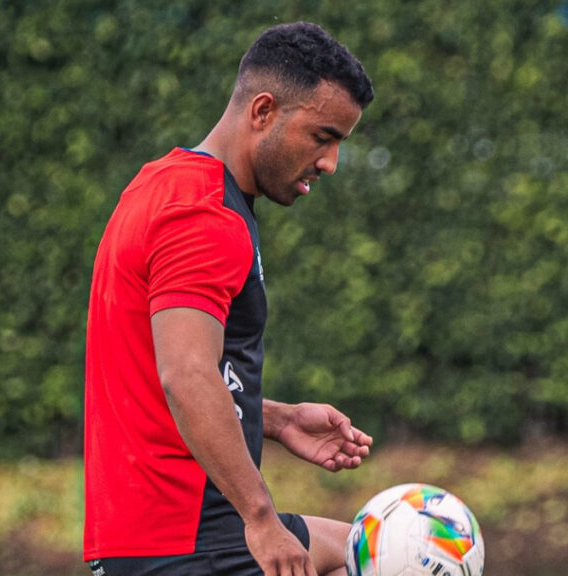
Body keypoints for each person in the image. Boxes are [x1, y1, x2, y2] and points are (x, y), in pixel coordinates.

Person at [83, 21, 375, 576]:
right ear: (262, 111)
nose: (331, 162)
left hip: (151, 533)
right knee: (395, 557)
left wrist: (276, 419)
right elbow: (187, 373)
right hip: (188, 538)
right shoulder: (204, 215)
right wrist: (261, 520)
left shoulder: (161, 183)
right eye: (322, 137)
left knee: (368, 549)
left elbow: (152, 371)